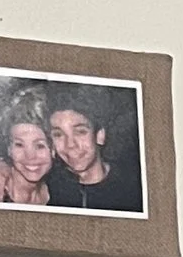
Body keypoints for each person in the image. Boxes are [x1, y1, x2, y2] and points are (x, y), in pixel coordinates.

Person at [43, 85, 145, 215]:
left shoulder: (132, 189)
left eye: (80, 132)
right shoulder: (51, 186)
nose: (70, 144)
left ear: (99, 136)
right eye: (58, 134)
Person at [0, 86, 55, 205]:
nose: (30, 156)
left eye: (39, 146)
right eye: (19, 145)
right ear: (9, 149)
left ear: (54, 149)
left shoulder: (62, 191)